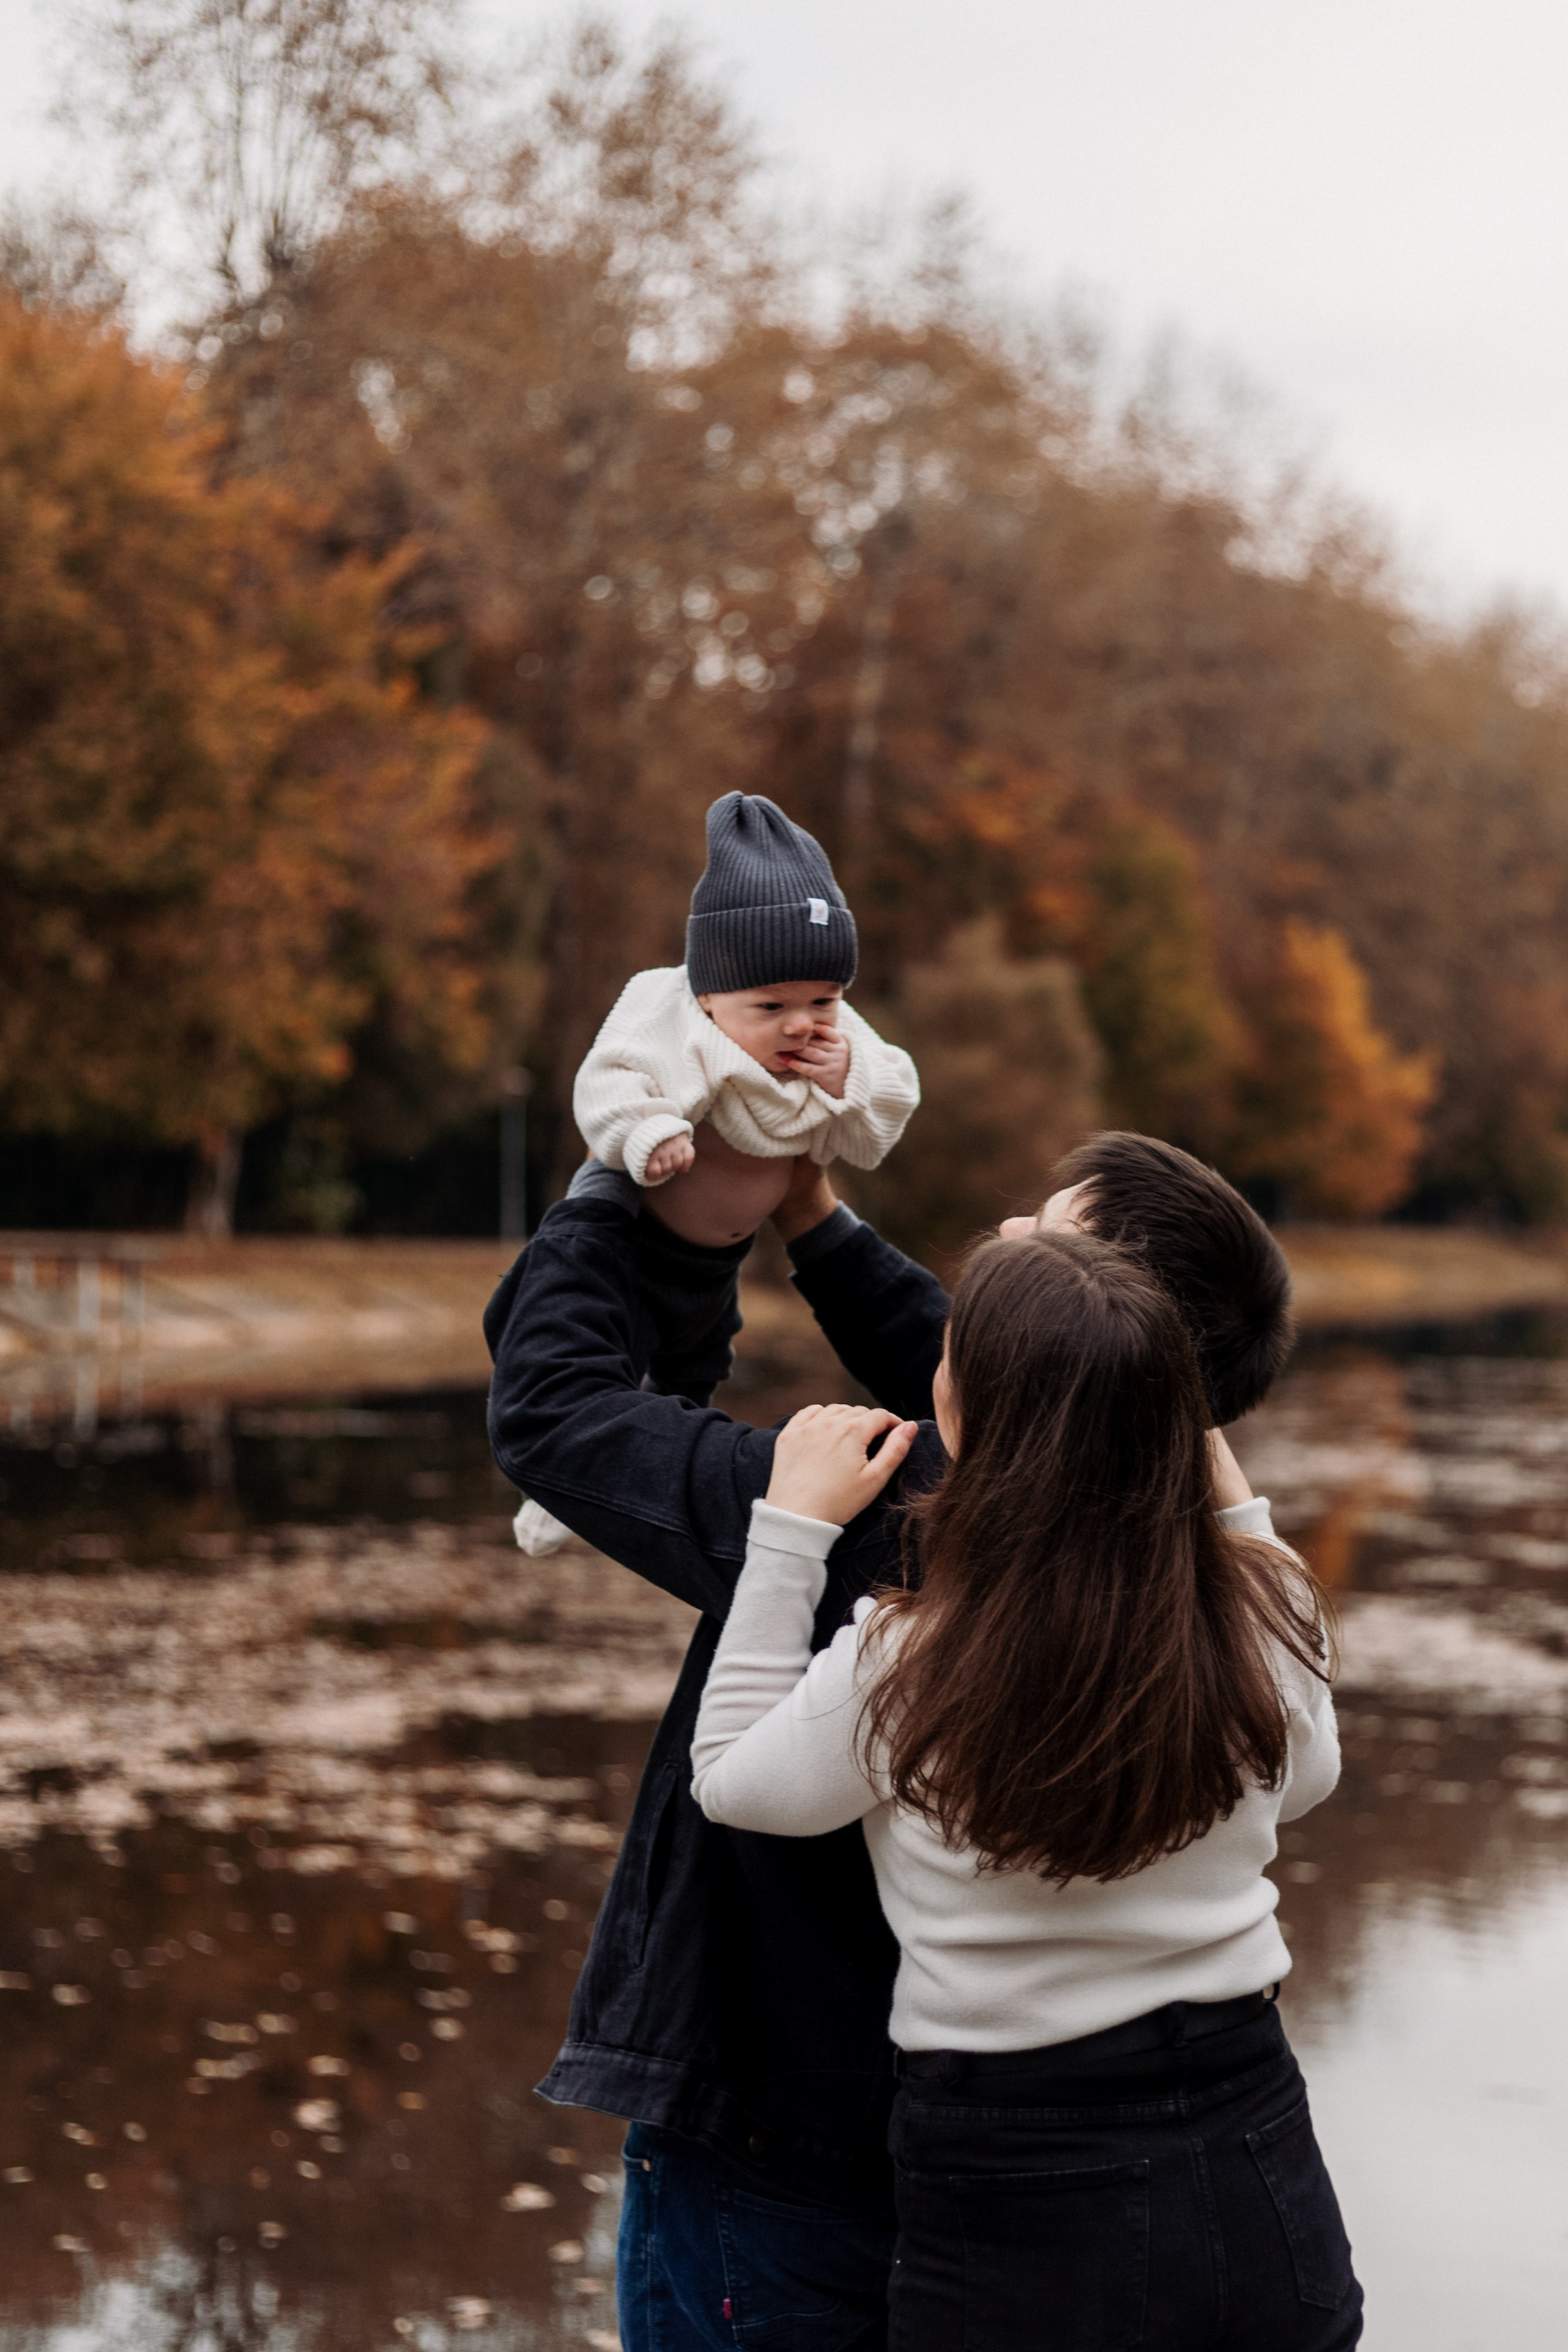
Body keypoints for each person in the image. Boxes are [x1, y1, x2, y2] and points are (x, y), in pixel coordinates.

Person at [484, 1133, 1297, 2350]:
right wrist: (811, 1217)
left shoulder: (862, 1526)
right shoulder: (1208, 1572)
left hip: (776, 2167)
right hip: (1036, 2180)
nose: (1004, 1240)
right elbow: (996, 1382)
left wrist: (613, 1171)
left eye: (1040, 1235)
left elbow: (552, 1404)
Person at [691, 1232, 1361, 2348]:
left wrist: (791, 1529)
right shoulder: (1259, 1607)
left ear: (968, 1420)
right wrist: (1215, 1479)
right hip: (1254, 2154)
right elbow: (1310, 1779)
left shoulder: (910, 1659)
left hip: (1018, 2186)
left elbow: (734, 1783)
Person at [512, 790, 918, 1557]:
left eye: (824, 1002)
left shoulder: (836, 1034)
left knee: (692, 1377)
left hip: (716, 1267)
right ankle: (553, 1491)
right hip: (634, 1247)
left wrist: (848, 1077)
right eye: (771, 1007)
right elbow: (607, 1082)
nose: (803, 1025)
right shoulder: (666, 1017)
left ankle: (606, 1494)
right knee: (590, 1368)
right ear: (707, 995)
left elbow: (887, 1111)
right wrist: (651, 1133)